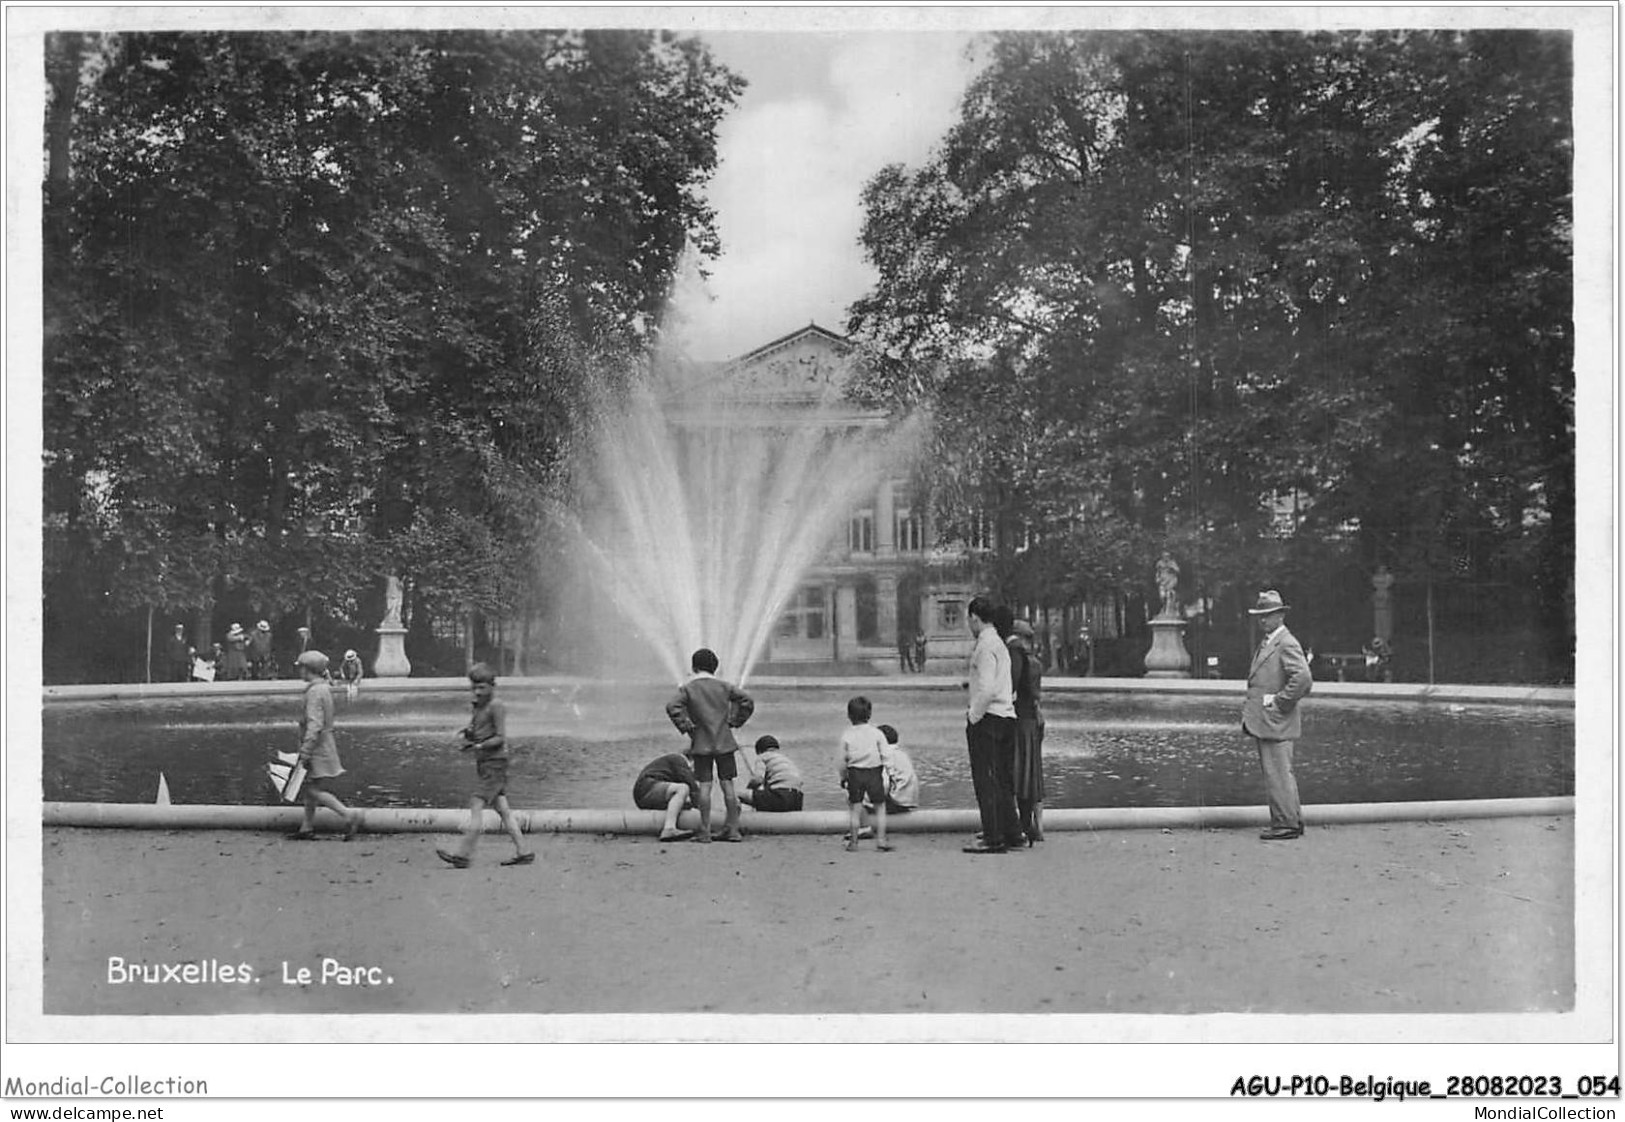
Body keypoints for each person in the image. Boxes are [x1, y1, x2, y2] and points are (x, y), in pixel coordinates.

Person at [437, 663, 534, 868]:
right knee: (503, 811)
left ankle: (463, 855)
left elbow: (500, 737)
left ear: (492, 686)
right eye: (474, 687)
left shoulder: (496, 706)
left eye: (482, 688)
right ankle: (524, 852)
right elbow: (479, 729)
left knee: (476, 804)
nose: (477, 692)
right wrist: (468, 734)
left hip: (495, 763)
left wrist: (479, 745)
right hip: (486, 763)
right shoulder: (479, 706)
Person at [1241, 590, 1314, 841]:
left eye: (1268, 615)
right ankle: (1291, 820)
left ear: (1280, 615)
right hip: (1270, 719)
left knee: (1278, 772)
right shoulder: (1272, 641)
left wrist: (1281, 703)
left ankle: (1286, 824)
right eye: (1260, 615)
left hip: (1276, 719)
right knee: (1280, 771)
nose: (1262, 620)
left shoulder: (1286, 642)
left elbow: (1303, 678)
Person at [664, 647, 754, 843]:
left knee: (704, 786)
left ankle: (704, 831)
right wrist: (735, 721)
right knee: (728, 785)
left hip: (701, 743)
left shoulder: (688, 689)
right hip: (725, 742)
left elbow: (672, 706)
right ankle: (733, 829)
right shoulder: (724, 686)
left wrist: (687, 725)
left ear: (694, 667)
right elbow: (747, 700)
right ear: (715, 667)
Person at [963, 596, 1022, 854]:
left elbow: (986, 688)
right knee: (1002, 780)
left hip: (988, 719)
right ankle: (1012, 831)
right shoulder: (999, 643)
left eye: (970, 620)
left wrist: (973, 716)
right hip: (1006, 716)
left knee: (985, 780)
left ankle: (993, 836)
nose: (969, 625)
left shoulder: (985, 646)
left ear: (975, 617)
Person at [286, 650, 362, 841]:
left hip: (317, 746)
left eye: (301, 668)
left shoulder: (314, 692)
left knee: (311, 789)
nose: (299, 672)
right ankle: (307, 827)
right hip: (324, 743)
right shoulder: (323, 688)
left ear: (308, 669)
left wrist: (305, 750)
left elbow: (315, 724)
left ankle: (348, 815)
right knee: (312, 786)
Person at [1007, 618, 1046, 844]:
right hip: (1034, 720)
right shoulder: (1036, 662)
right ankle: (1036, 826)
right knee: (1033, 774)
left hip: (1021, 722)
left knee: (1020, 772)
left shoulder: (1019, 660)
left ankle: (1023, 824)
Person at [836, 696, 891, 852]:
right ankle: (881, 840)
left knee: (855, 809)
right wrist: (890, 772)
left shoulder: (847, 735)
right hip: (874, 772)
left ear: (849, 715)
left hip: (855, 773)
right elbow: (886, 755)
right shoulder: (877, 733)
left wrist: (843, 777)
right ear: (870, 714)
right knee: (880, 807)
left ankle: (854, 842)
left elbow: (842, 759)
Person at [633, 752, 702, 842]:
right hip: (648, 787)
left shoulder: (672, 764)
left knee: (684, 803)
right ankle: (669, 828)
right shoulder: (679, 759)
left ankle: (669, 825)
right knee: (683, 788)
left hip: (645, 793)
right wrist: (703, 810)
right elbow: (693, 787)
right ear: (693, 761)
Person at [740, 734, 804, 812]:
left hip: (780, 797)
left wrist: (749, 790)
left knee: (737, 795)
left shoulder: (763, 757)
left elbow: (758, 779)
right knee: (764, 796)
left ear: (759, 751)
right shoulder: (786, 759)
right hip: (797, 800)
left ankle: (734, 820)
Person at [876, 723, 919, 813]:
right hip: (907, 802)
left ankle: (863, 825)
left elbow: (884, 784)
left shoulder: (885, 755)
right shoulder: (902, 754)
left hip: (894, 803)